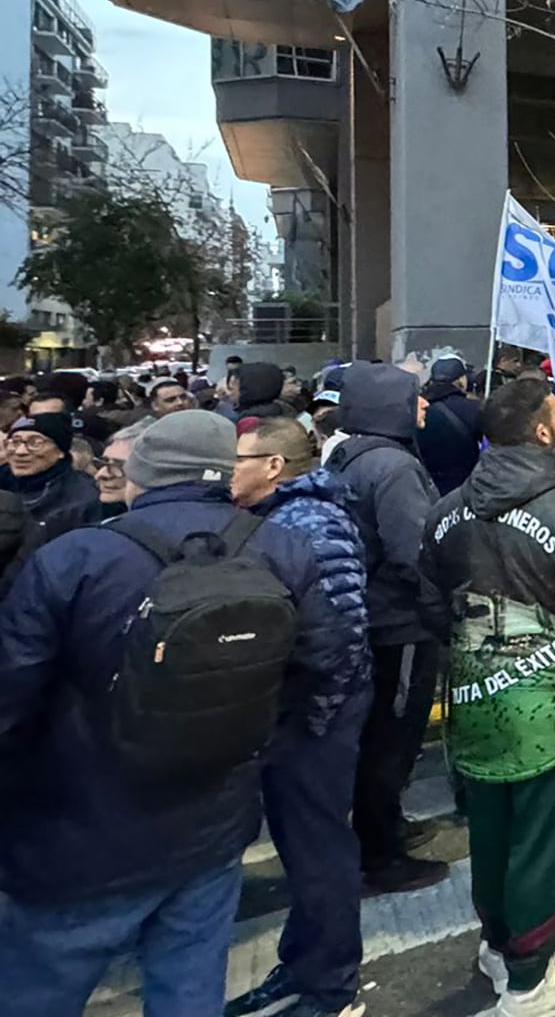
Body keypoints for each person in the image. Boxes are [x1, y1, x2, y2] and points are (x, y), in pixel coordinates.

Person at [0, 412, 350, 1017]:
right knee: (189, 986)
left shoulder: (77, 556)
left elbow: (12, 695)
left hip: (83, 825)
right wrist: (258, 743)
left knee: (41, 990)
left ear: (145, 472)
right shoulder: (279, 546)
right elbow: (324, 663)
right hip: (214, 811)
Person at [421, 378, 555, 1016]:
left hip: (476, 705)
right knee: (542, 844)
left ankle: (496, 946)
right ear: (542, 432)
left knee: (488, 836)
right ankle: (530, 980)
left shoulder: (447, 509)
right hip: (554, 715)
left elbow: (428, 599)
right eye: (554, 414)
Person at [224, 418, 374, 1017]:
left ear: (274, 466)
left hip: (315, 719)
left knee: (320, 849)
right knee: (301, 846)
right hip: (293, 716)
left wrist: (312, 718)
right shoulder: (277, 518)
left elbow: (340, 636)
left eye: (239, 459)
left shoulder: (311, 522)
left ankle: (332, 988)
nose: (227, 470)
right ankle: (304, 961)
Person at [324, 363, 449, 894]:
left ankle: (385, 825)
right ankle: (379, 855)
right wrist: (441, 611)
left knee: (380, 734)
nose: (424, 407)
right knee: (392, 738)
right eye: (414, 399)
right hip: (397, 625)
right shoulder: (393, 467)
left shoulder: (350, 455)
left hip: (369, 616)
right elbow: (415, 551)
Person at [2, 410, 103, 540]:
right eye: (15, 442)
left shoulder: (84, 497)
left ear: (60, 451)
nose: (20, 451)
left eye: (35, 443)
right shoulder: (3, 480)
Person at [419, 356, 486, 495]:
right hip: (465, 488)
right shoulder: (474, 409)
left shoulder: (418, 409)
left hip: (426, 488)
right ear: (462, 380)